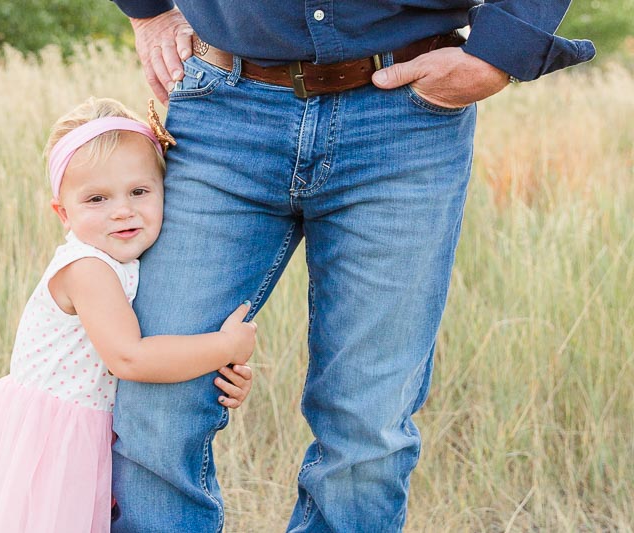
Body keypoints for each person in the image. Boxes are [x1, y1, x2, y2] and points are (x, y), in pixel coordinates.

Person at [108, 1, 596, 532]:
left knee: (367, 430)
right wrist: (149, 11)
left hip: (406, 116)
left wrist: (497, 55)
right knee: (158, 404)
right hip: (222, 109)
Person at [0, 97, 257, 533]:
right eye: (97, 198)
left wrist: (216, 369)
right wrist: (224, 345)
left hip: (84, 434)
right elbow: (130, 358)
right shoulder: (88, 268)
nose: (122, 210)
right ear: (63, 213)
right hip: (54, 441)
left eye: (139, 191)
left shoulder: (126, 261)